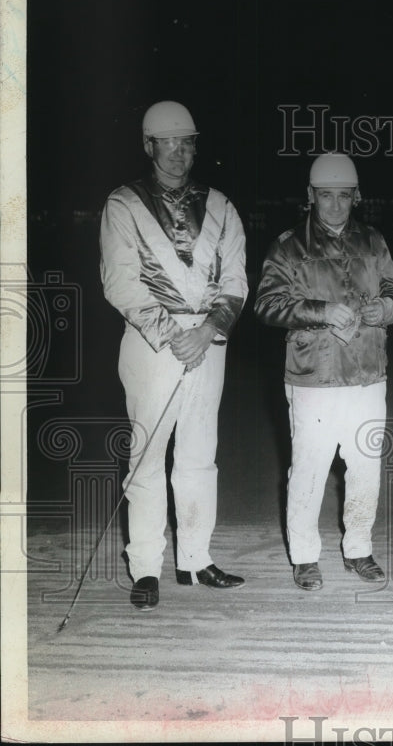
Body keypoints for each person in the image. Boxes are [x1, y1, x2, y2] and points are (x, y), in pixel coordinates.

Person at [99, 100, 248, 611]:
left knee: (199, 454)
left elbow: (235, 280)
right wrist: (171, 333)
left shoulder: (222, 205)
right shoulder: (123, 204)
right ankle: (145, 568)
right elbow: (120, 283)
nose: (179, 153)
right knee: (145, 454)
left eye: (187, 142)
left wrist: (207, 330)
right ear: (149, 145)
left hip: (209, 340)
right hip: (150, 343)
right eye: (169, 142)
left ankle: (196, 557)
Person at [255, 153, 393, 591]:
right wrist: (321, 312)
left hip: (368, 374)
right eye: (326, 197)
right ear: (310, 196)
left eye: (344, 196)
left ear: (355, 196)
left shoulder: (374, 241)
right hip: (314, 376)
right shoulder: (288, 245)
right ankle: (304, 556)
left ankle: (358, 548)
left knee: (365, 466)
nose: (335, 206)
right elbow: (266, 304)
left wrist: (385, 308)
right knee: (309, 468)